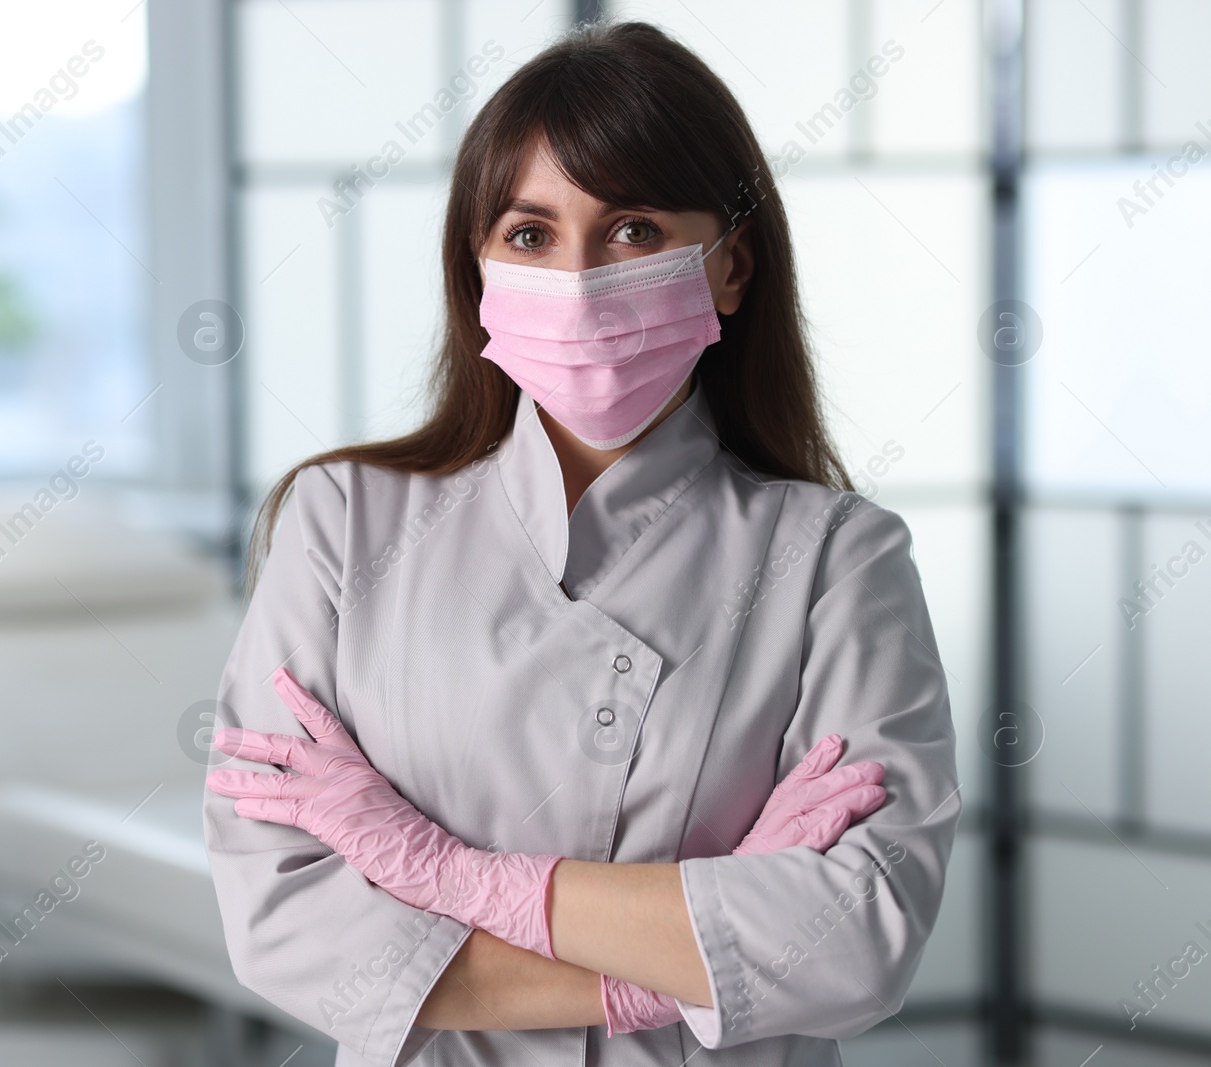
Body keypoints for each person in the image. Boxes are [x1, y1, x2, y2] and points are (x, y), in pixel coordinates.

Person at [202, 20, 960, 1066]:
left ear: (730, 266)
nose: (578, 276)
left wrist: (441, 871)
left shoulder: (837, 556)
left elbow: (860, 941)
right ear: (478, 273)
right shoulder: (341, 523)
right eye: (529, 234)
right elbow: (282, 921)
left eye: (633, 231)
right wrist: (686, 962)